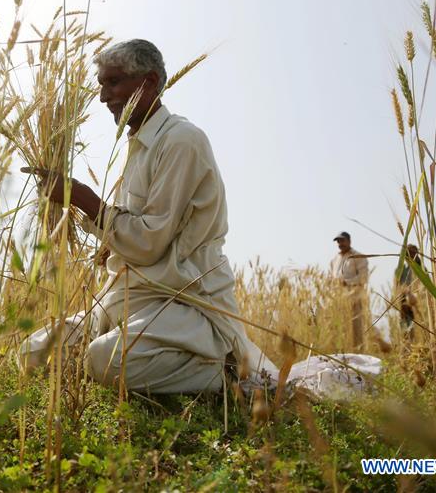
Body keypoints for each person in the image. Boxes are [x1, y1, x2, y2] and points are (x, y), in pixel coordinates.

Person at [16, 39, 276, 393]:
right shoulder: (136, 147)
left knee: (103, 360)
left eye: (114, 82)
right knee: (32, 352)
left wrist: (83, 199)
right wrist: (108, 244)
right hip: (124, 299)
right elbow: (138, 228)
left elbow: (150, 243)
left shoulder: (181, 141)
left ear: (149, 83)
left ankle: (228, 375)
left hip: (181, 302)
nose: (105, 96)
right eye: (101, 85)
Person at [330, 232, 370, 351]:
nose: (340, 244)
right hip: (338, 300)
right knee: (339, 329)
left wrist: (346, 282)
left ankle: (359, 357)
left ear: (349, 241)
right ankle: (342, 356)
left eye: (342, 241)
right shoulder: (334, 260)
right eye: (338, 241)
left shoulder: (358, 257)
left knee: (356, 329)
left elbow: (364, 278)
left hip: (354, 299)